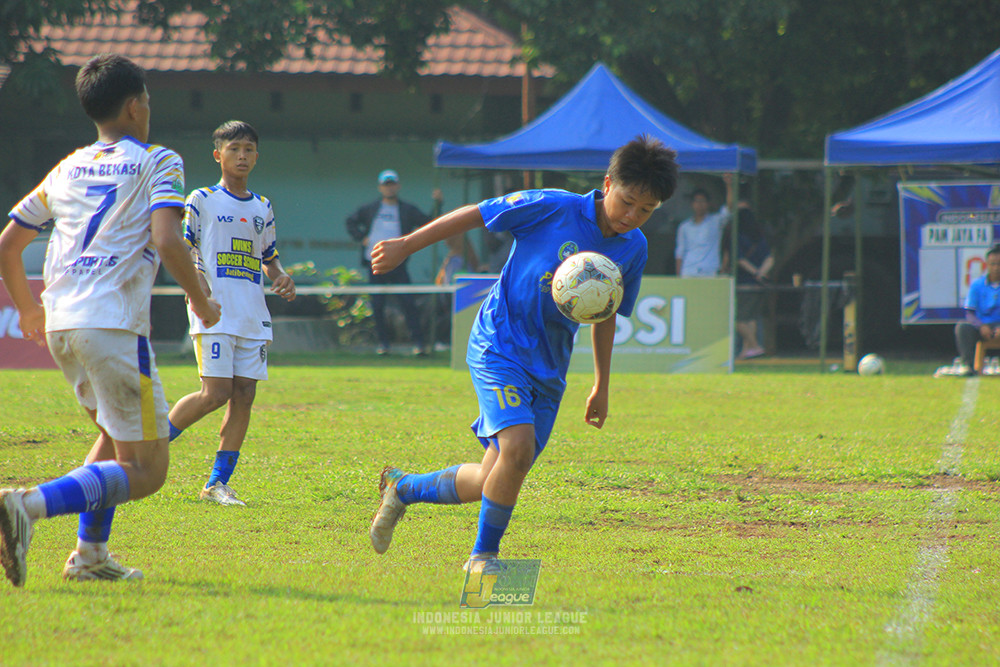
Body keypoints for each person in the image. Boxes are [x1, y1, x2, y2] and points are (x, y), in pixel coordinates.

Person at [367, 136, 679, 571]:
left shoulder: (634, 247)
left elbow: (605, 314)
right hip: (500, 343)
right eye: (627, 202)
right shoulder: (552, 206)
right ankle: (484, 559)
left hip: (548, 368)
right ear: (608, 184)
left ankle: (403, 488)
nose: (632, 216)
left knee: (493, 475)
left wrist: (601, 385)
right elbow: (478, 213)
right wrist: (407, 244)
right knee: (517, 448)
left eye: (645, 210)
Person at [0, 53, 221, 586]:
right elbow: (168, 239)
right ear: (135, 105)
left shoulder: (67, 167)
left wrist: (27, 307)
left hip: (62, 322)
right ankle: (25, 505)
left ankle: (90, 556)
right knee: (147, 470)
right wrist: (201, 300)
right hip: (111, 323)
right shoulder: (158, 160)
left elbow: (8, 243)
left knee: (112, 436)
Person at [165, 120, 296, 506]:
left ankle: (216, 484)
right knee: (215, 393)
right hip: (214, 311)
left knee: (244, 394)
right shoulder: (202, 199)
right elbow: (184, 245)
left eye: (248, 149)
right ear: (217, 155)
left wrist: (281, 275)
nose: (242, 156)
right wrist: (197, 284)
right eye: (234, 148)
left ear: (256, 156)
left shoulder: (262, 206)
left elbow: (269, 256)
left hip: (252, 314)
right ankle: (146, 447)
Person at [345, 170, 442, 355]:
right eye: (385, 185)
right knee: (377, 305)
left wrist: (438, 204)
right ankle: (383, 344)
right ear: (380, 187)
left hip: (399, 264)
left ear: (398, 186)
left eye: (392, 184)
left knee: (408, 303)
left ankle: (419, 344)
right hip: (375, 264)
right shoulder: (370, 208)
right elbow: (350, 221)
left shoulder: (407, 209)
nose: (389, 188)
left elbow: (428, 223)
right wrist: (361, 237)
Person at [723, 205, 774, 359]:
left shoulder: (736, 238)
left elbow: (739, 260)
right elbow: (770, 258)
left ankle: (755, 345)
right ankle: (747, 351)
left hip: (744, 282)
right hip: (759, 284)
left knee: (737, 319)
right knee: (751, 318)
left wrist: (754, 272)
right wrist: (761, 274)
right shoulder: (759, 238)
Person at [950, 244, 1000, 376]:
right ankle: (969, 366)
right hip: (984, 325)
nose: (996, 268)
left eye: (999, 264)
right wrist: (981, 326)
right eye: (993, 264)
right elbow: (970, 313)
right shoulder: (977, 285)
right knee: (962, 328)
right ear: (987, 265)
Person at [674, 174, 734, 277]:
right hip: (688, 271)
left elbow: (729, 208)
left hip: (710, 271)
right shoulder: (684, 227)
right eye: (697, 201)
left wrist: (729, 185)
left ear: (708, 203)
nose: (699, 205)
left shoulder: (715, 221)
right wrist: (678, 276)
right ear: (692, 204)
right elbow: (680, 252)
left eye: (702, 201)